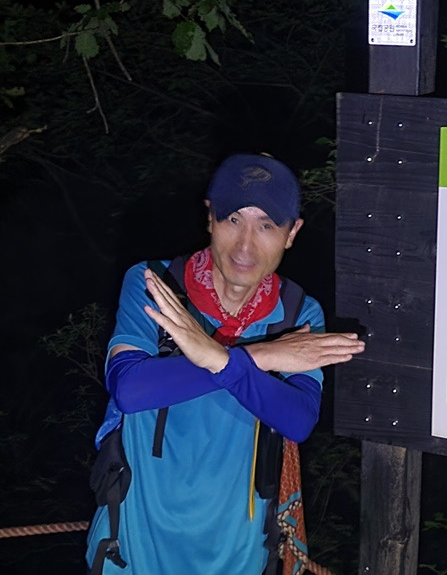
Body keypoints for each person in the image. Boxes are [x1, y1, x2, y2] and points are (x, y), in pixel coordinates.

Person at [84, 153, 364, 573]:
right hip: (131, 550)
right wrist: (258, 356)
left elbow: (299, 419)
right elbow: (129, 388)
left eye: (267, 225)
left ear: (292, 233)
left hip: (237, 556)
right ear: (210, 217)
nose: (246, 245)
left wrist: (219, 360)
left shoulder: (297, 314)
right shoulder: (155, 284)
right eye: (234, 219)